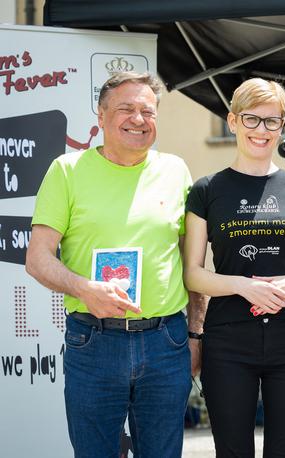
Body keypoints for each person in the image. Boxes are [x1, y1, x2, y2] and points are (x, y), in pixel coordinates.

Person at [26, 72, 200, 457]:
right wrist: (85, 289)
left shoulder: (176, 172)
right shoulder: (67, 171)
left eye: (147, 111)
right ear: (101, 117)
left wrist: (195, 335)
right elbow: (37, 259)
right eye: (126, 109)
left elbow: (194, 263)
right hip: (93, 342)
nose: (138, 119)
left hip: (165, 341)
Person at [183, 78, 285, 458]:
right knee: (232, 451)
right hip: (228, 338)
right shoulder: (206, 189)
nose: (261, 130)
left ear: (282, 126)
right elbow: (192, 274)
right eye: (251, 119)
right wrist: (245, 286)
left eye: (272, 121)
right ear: (232, 121)